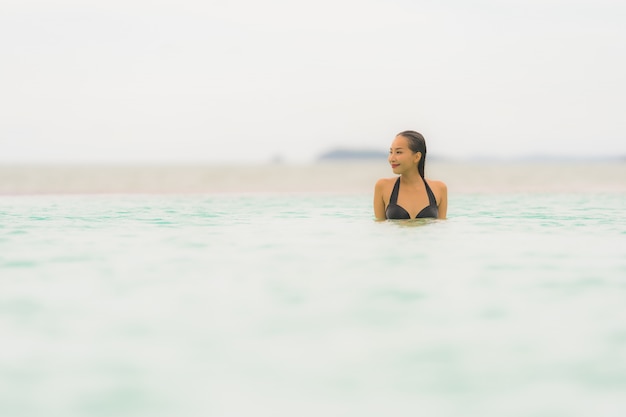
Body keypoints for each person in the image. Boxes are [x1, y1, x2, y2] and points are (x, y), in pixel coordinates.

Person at [373, 130, 447, 220]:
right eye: (391, 152)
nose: (391, 158)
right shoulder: (382, 186)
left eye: (398, 152)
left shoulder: (439, 188)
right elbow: (379, 230)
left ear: (416, 157)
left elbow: (442, 230)